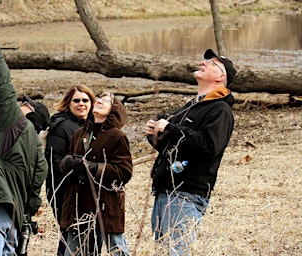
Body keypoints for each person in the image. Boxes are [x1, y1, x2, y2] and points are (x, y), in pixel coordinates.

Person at [0, 13, 50, 256]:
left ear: (30, 112)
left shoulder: (15, 123)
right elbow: (33, 199)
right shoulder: (39, 154)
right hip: (12, 222)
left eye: (24, 104)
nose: (19, 105)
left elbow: (1, 86)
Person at [144, 49, 236, 255]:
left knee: (176, 252)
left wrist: (170, 128)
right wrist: (155, 134)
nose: (203, 63)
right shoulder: (191, 107)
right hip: (165, 192)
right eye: (205, 60)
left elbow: (208, 147)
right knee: (163, 251)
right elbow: (173, 147)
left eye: (211, 63)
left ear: (221, 77)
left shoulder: (220, 110)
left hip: (185, 195)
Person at [59, 92, 133, 256]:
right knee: (74, 252)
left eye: (106, 100)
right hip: (79, 205)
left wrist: (93, 168)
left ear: (114, 109)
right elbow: (68, 159)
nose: (99, 101)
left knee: (117, 250)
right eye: (98, 99)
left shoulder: (117, 136)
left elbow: (124, 172)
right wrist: (68, 163)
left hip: (106, 205)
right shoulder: (80, 133)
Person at [44, 85, 96, 256]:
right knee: (72, 235)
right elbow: (53, 160)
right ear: (68, 103)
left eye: (85, 100)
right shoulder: (61, 126)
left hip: (83, 192)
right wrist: (77, 165)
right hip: (64, 192)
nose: (81, 104)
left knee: (78, 238)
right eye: (77, 100)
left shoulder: (90, 125)